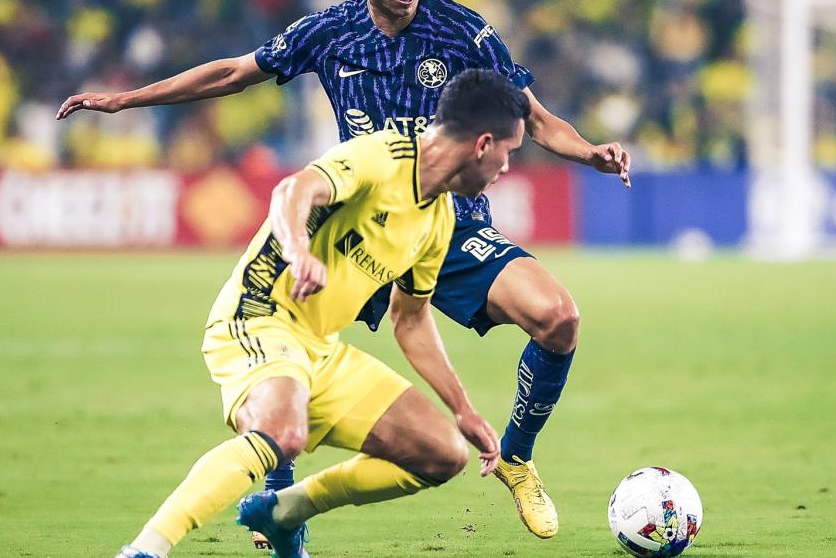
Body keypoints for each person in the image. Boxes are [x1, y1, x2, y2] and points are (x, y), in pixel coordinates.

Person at [59, 0, 631, 541]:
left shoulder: (462, 30)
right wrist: (126, 101)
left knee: (557, 316)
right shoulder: (331, 33)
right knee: (295, 362)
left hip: (443, 220)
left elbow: (526, 113)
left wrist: (588, 152)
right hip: (359, 218)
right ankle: (276, 505)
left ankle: (518, 455)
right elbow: (231, 74)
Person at [113, 70, 527, 558]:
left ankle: (284, 511)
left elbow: (410, 319)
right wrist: (297, 250)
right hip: (259, 316)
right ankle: (146, 549)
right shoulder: (382, 156)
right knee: (283, 434)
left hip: (318, 347)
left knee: (441, 455)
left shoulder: (437, 218)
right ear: (483, 144)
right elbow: (293, 191)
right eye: (510, 151)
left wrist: (462, 408)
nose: (506, 168)